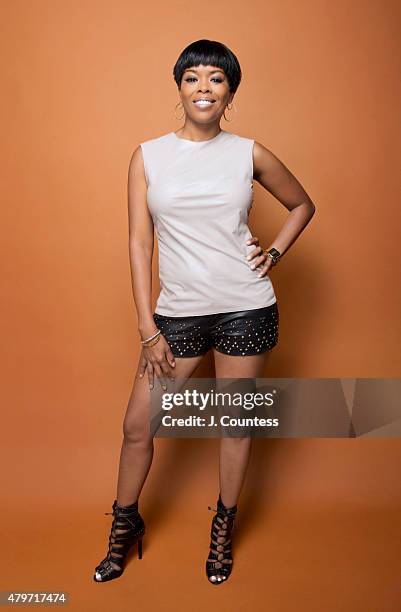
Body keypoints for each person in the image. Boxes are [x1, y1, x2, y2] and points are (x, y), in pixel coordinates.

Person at [93, 38, 316, 585]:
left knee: (235, 426)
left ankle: (223, 526)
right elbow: (139, 243)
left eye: (216, 79)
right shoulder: (147, 155)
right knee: (138, 427)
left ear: (229, 92)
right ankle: (126, 524)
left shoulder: (249, 152)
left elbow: (302, 204)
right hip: (178, 314)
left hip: (246, 306)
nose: (204, 87)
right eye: (193, 77)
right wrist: (148, 326)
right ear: (179, 87)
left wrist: (275, 254)